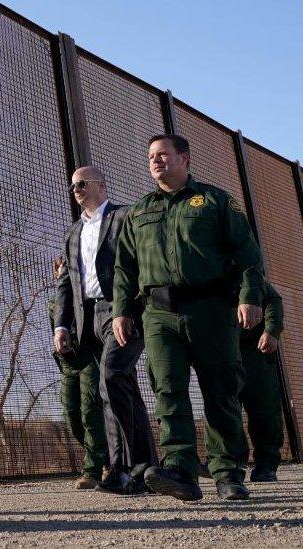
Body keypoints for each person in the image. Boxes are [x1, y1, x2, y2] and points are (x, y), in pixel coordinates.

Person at [113, 134, 264, 502]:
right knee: (167, 390)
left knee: (220, 389)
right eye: (151, 156)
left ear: (185, 157)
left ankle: (227, 472)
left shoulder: (214, 201)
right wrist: (122, 311)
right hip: (158, 315)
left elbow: (246, 254)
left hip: (209, 309)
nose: (156, 161)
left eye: (163, 154)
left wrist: (250, 297)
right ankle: (180, 468)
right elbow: (124, 268)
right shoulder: (139, 211)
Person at [54, 166, 155, 495]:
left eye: (82, 184)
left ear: (101, 184)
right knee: (123, 387)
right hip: (87, 320)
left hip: (121, 311)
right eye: (72, 187)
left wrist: (128, 309)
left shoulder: (125, 216)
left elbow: (140, 265)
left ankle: (119, 468)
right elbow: (67, 284)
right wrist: (61, 325)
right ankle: (146, 468)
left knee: (110, 378)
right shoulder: (72, 233)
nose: (77, 190)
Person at [48, 256, 110, 490]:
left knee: (90, 413)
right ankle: (104, 457)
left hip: (90, 360)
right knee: (71, 415)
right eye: (60, 268)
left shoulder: (88, 297)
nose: (62, 270)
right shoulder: (54, 303)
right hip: (68, 365)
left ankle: (92, 470)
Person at [239, 282, 285, 482]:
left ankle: (266, 464)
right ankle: (228, 464)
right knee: (221, 407)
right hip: (221, 350)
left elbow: (273, 300)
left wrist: (272, 330)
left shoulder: (244, 273)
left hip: (255, 349)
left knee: (264, 408)